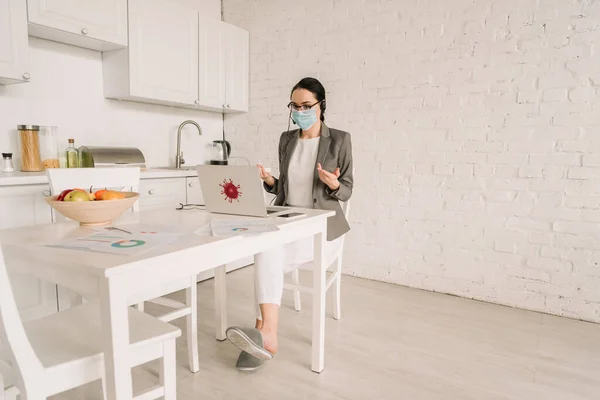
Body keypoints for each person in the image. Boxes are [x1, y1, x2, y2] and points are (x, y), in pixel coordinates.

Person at [225, 77, 354, 370]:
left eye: (306, 105)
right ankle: (265, 335)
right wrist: (270, 181)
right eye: (295, 106)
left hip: (324, 229)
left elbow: (346, 188)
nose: (300, 111)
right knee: (266, 247)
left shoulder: (340, 140)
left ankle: (263, 333)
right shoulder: (287, 139)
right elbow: (286, 187)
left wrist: (333, 184)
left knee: (267, 251)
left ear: (321, 106)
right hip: (290, 223)